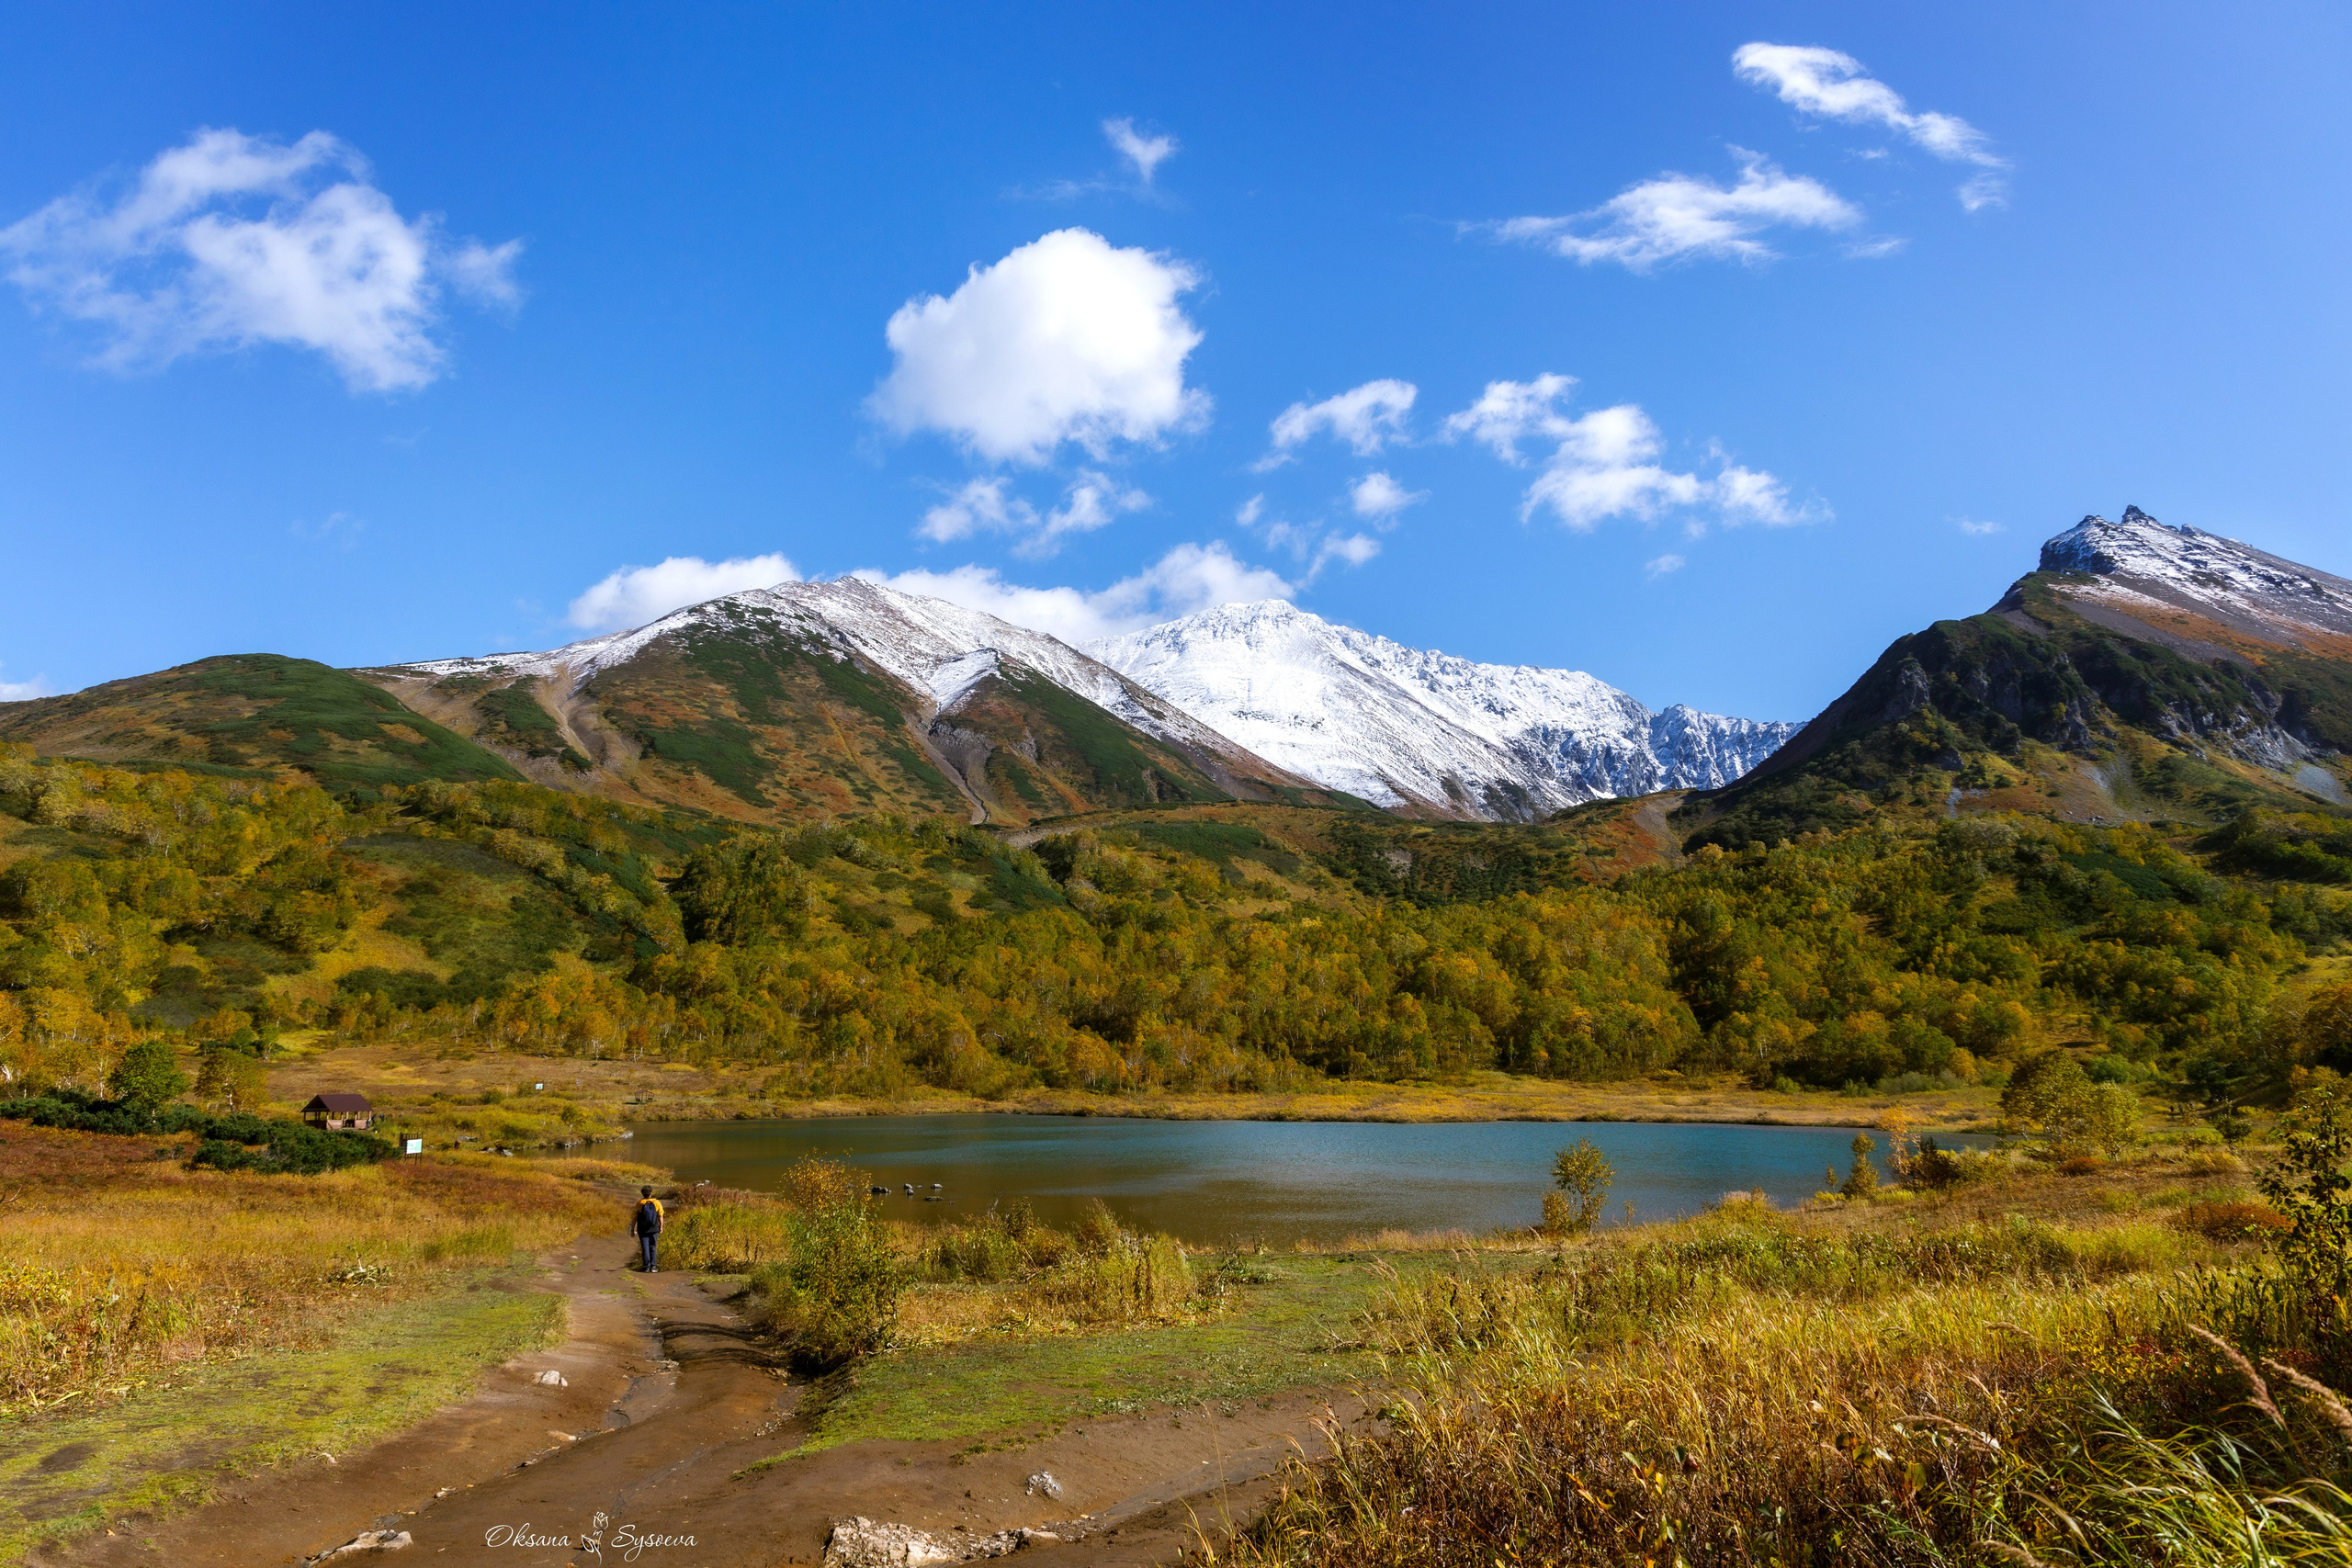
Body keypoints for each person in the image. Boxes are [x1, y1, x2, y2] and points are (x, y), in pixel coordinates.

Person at [630, 1185, 664, 1272]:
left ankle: (646, 1267)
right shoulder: (657, 1203)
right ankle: (653, 1267)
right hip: (654, 1228)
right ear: (651, 1193)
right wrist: (661, 1227)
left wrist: (633, 1229)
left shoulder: (640, 1203)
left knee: (645, 1247)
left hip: (642, 1229)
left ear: (642, 1193)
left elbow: (634, 1217)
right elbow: (660, 1216)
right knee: (653, 1247)